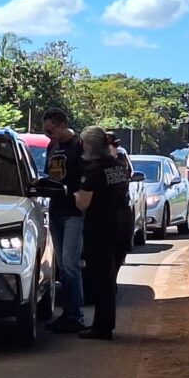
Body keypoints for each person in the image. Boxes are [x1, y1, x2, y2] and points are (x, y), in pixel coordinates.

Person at [74, 127, 135, 341]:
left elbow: (83, 203)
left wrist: (71, 193)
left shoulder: (93, 170)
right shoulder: (118, 165)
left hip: (102, 227)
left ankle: (102, 327)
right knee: (110, 277)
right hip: (123, 224)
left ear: (89, 145)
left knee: (101, 279)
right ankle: (104, 324)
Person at [42, 107, 86, 333]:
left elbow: (87, 177)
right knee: (61, 264)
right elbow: (50, 175)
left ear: (61, 125)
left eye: (50, 131)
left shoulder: (79, 145)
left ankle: (75, 314)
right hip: (56, 210)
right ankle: (67, 312)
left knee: (70, 263)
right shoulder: (52, 146)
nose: (48, 135)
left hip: (74, 213)